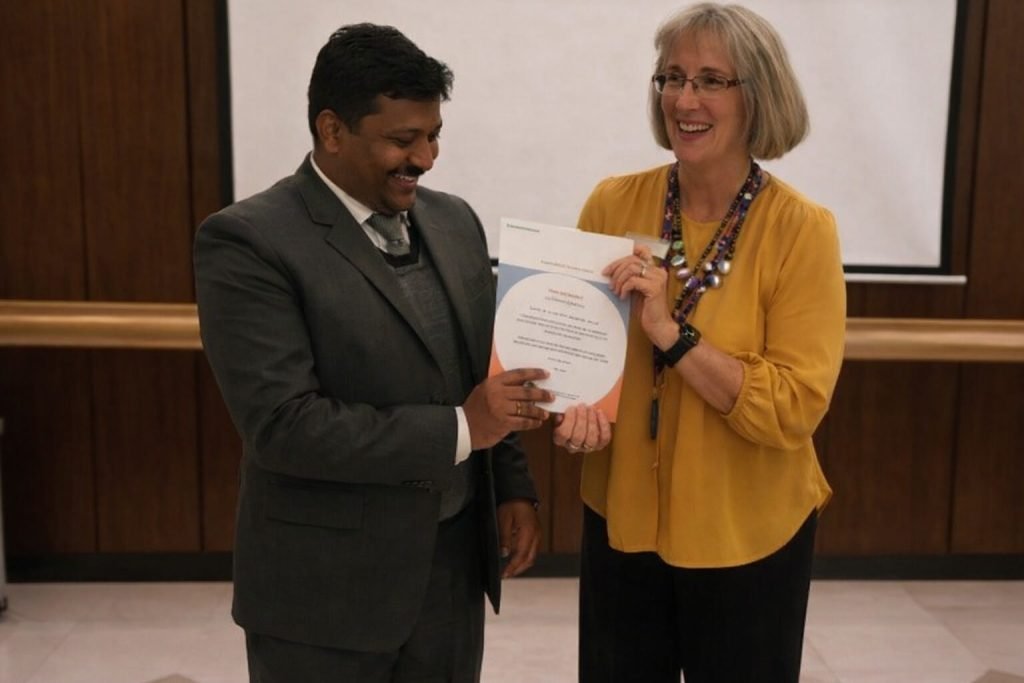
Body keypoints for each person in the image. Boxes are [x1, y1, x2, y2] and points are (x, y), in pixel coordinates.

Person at [194, 23, 552, 683]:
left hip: (449, 578)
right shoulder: (247, 241)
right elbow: (284, 426)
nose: (427, 158)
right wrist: (462, 427)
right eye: (402, 140)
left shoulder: (456, 222)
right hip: (322, 597)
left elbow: (482, 370)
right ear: (332, 131)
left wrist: (514, 488)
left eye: (435, 134)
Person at [552, 4, 846, 682]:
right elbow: (578, 360)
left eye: (712, 80)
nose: (685, 100)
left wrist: (671, 334)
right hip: (622, 519)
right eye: (672, 78)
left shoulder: (803, 231)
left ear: (759, 96)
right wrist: (571, 410)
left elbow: (794, 406)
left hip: (748, 535)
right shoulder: (611, 205)